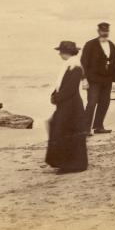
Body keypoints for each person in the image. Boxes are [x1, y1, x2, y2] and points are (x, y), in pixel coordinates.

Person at [45, 40, 89, 174]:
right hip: (69, 105)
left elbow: (69, 89)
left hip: (71, 106)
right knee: (62, 130)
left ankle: (71, 165)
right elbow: (63, 87)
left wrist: (56, 98)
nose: (59, 54)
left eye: (61, 52)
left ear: (66, 53)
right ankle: (68, 164)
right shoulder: (71, 65)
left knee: (64, 132)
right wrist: (55, 96)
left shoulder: (74, 67)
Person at [81, 22, 115, 134]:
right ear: (98, 31)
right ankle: (85, 129)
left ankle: (98, 127)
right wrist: (83, 79)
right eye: (103, 31)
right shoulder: (90, 44)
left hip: (107, 79)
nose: (105, 33)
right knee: (92, 103)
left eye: (107, 31)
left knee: (105, 103)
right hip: (93, 79)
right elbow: (83, 63)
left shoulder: (111, 45)